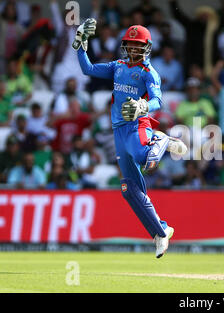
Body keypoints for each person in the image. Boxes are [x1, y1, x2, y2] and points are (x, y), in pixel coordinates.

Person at [74, 19, 186, 258]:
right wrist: (81, 44)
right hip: (119, 131)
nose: (133, 49)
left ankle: (163, 139)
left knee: (144, 156)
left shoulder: (149, 73)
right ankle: (161, 232)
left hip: (138, 124)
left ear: (146, 47)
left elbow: (159, 101)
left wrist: (143, 105)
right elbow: (88, 69)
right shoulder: (118, 66)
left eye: (138, 45)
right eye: (130, 45)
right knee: (129, 189)